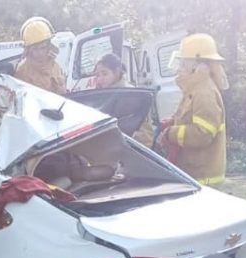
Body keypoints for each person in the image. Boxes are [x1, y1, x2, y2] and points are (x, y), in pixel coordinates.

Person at [158, 33, 229, 185]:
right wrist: (172, 122)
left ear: (196, 66)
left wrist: (171, 133)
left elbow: (202, 134)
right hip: (195, 175)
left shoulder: (204, 92)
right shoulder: (195, 88)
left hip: (204, 179)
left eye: (183, 64)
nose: (179, 69)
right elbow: (189, 117)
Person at [93, 53, 155, 147]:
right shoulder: (106, 94)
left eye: (105, 74)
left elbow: (141, 134)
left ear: (117, 72)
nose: (100, 79)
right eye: (97, 75)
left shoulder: (129, 95)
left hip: (134, 149)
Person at [14, 17, 67, 95]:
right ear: (29, 50)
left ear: (49, 46)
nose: (40, 53)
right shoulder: (22, 70)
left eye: (43, 47)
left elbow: (62, 93)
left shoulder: (55, 65)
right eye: (35, 49)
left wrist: (62, 88)